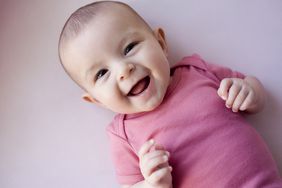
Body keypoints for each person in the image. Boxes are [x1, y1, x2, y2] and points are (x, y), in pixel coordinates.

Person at [58, 1, 282, 187]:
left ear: (160, 42)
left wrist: (249, 92)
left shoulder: (196, 70)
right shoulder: (122, 134)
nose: (124, 70)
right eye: (102, 73)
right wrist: (150, 183)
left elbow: (252, 86)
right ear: (96, 100)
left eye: (129, 48)